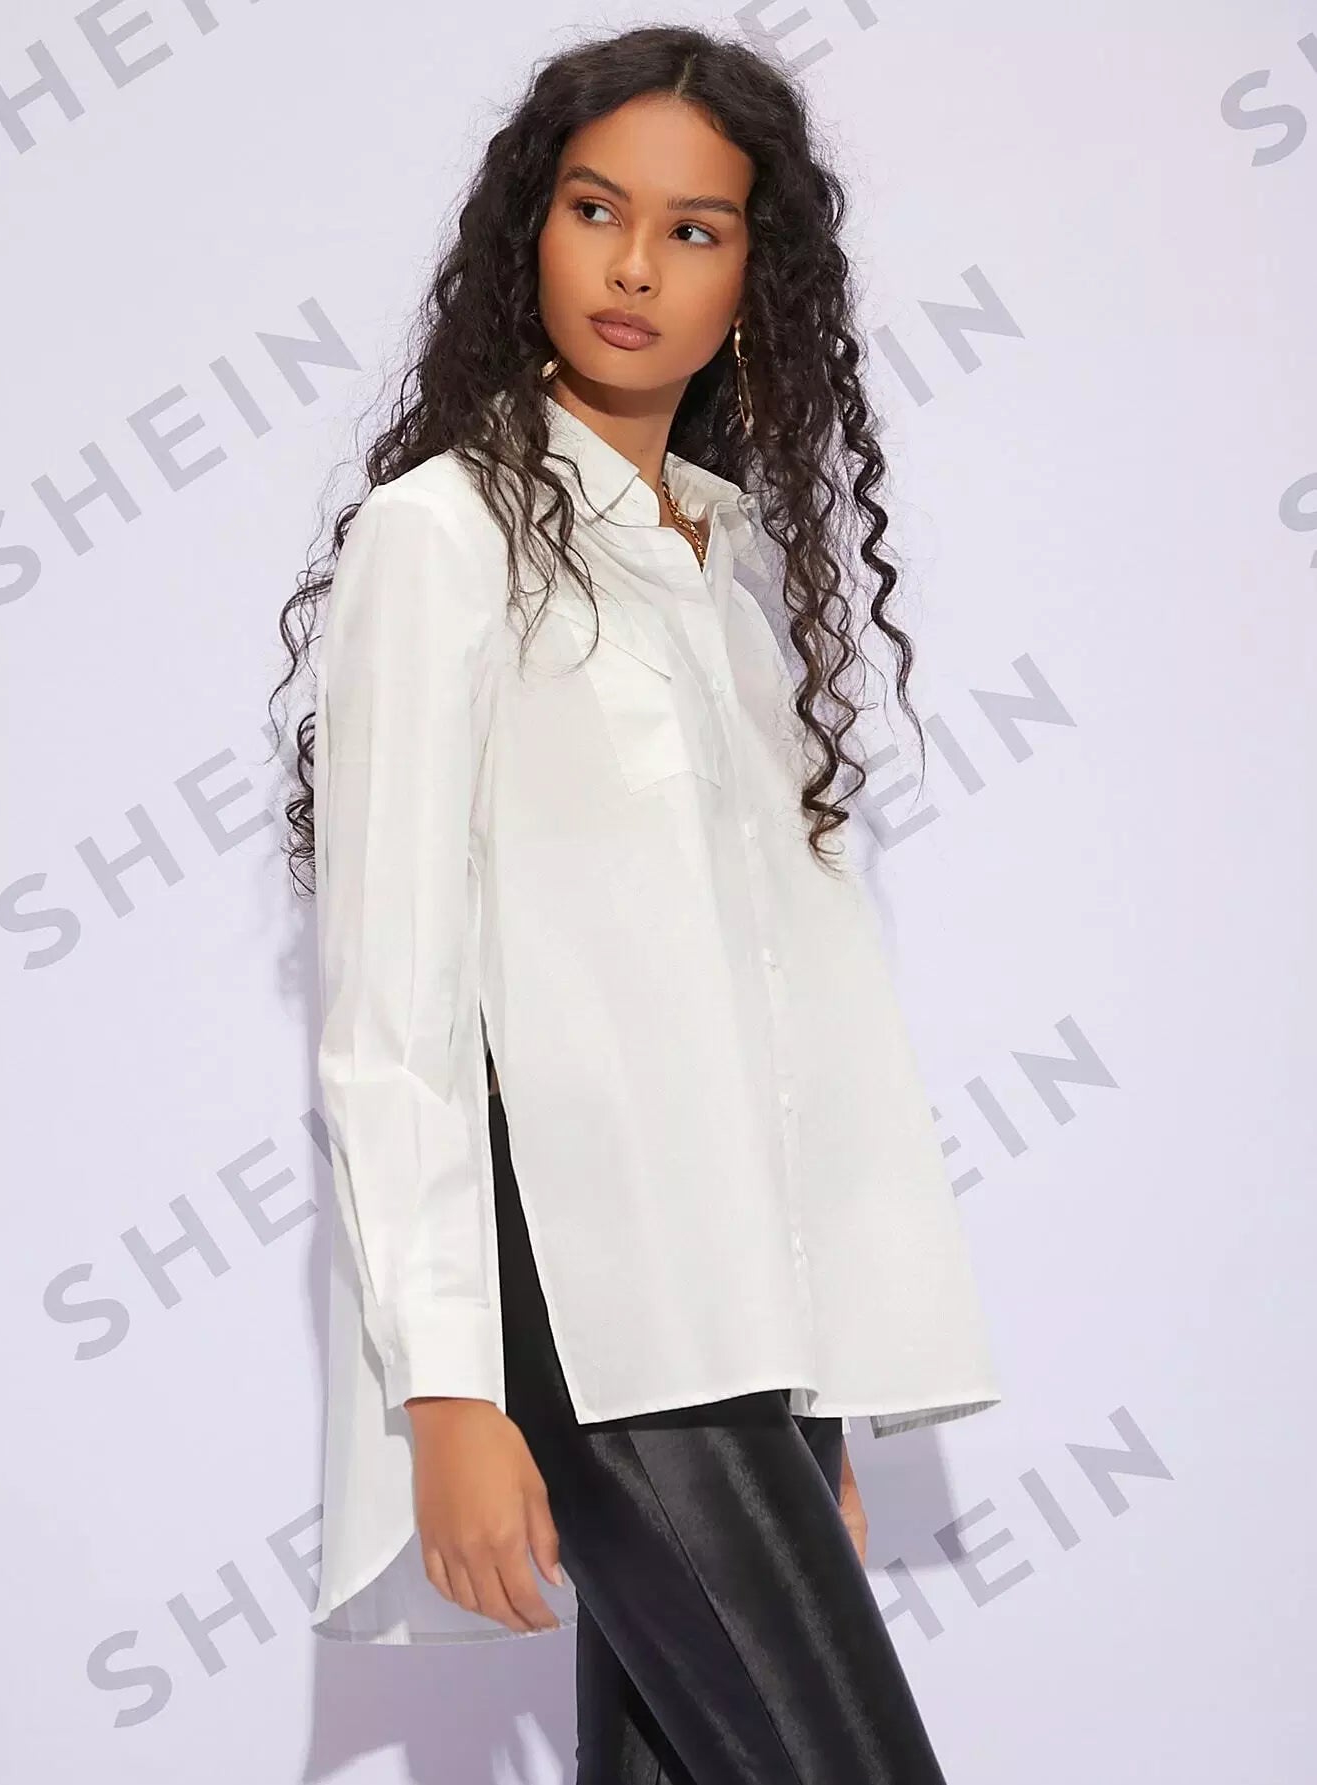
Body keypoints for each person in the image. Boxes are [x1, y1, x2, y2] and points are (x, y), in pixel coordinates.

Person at [270, 23, 1002, 1781]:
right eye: (597, 209)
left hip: (730, 1326)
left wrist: (811, 1390)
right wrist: (451, 1385)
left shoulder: (725, 568)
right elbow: (393, 1009)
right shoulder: (444, 538)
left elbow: (766, 1022)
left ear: (756, 279)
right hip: (583, 1308)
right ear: (530, 228)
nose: (633, 265)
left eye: (694, 229)